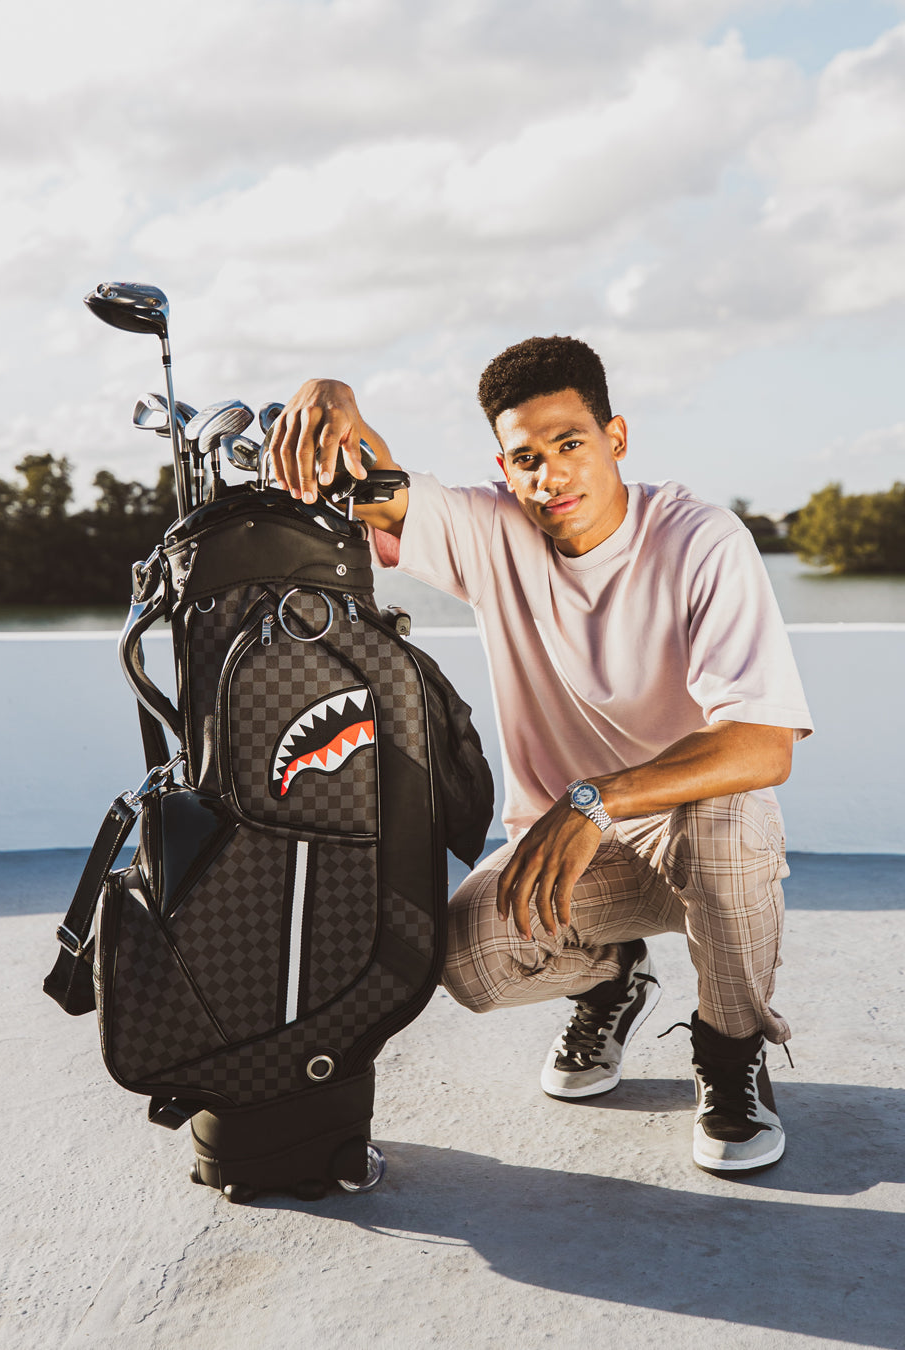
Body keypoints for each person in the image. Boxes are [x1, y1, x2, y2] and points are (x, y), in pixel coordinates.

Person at [268, 336, 813, 1174]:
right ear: (505, 466)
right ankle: (611, 979)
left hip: (695, 833)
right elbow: (376, 487)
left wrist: (595, 800)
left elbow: (763, 742)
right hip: (579, 852)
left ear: (615, 438)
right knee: (462, 959)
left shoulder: (702, 539)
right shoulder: (493, 530)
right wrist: (331, 392)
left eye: (570, 444)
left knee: (726, 825)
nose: (551, 475)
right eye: (527, 458)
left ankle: (732, 1053)